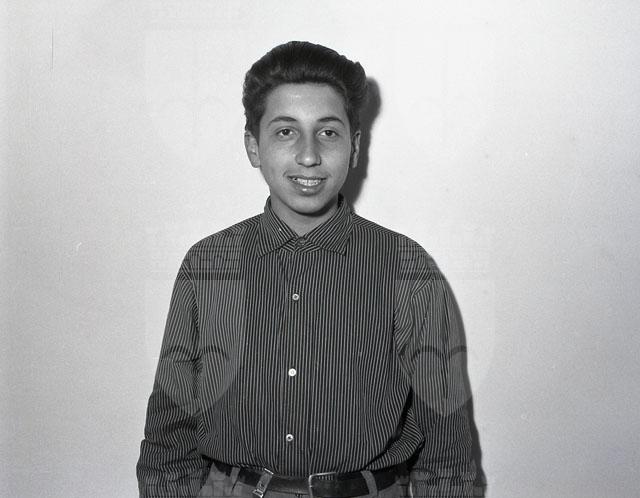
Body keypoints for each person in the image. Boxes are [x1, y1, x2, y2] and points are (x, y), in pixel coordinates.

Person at [137, 41, 478, 498]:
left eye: (328, 132)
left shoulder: (407, 269)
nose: (309, 155)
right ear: (253, 146)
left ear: (354, 147)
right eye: (285, 132)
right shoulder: (208, 264)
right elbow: (169, 433)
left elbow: (447, 451)